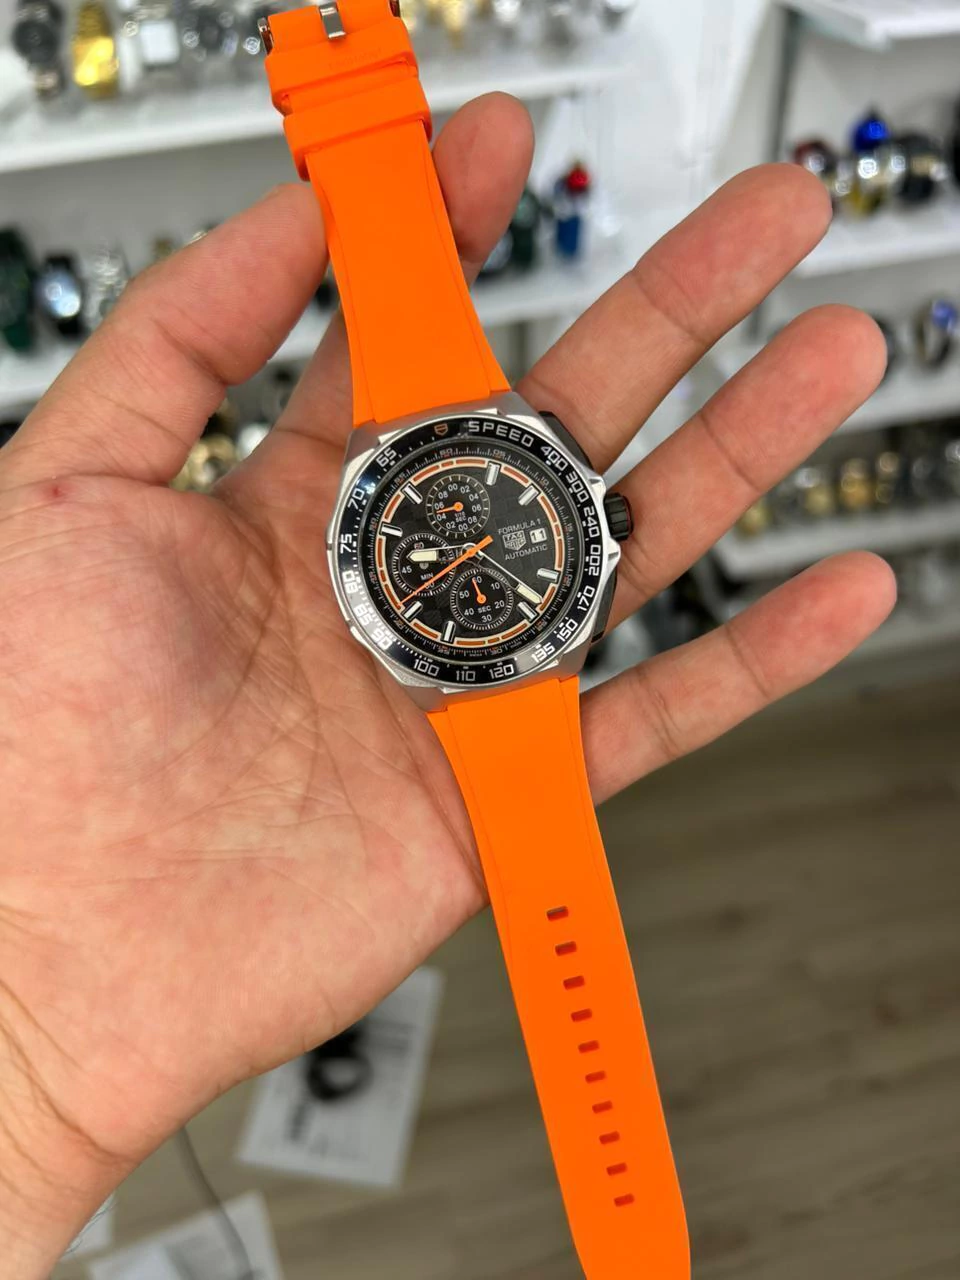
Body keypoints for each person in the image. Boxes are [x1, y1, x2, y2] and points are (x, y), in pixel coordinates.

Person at [0, 95, 894, 1277]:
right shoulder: (412, 547)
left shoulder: (478, 532)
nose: (467, 546)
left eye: (478, 536)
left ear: (588, 520)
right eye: (446, 547)